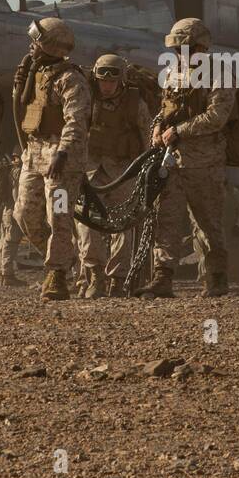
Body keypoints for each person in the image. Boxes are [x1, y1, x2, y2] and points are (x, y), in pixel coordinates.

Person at [139, 17, 234, 298]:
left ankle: (216, 278)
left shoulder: (220, 74)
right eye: (177, 49)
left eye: (186, 48)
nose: (181, 54)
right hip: (173, 161)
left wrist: (179, 131)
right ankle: (163, 278)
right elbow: (166, 108)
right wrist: (158, 127)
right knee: (166, 219)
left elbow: (217, 116)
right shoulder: (173, 73)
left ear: (201, 47)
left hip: (205, 163)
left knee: (207, 223)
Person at [12, 17, 90, 302]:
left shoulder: (71, 79)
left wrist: (63, 152)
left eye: (36, 42)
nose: (31, 47)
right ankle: (64, 258)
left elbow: (76, 120)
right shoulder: (35, 74)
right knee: (24, 213)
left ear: (51, 47)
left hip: (60, 158)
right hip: (34, 152)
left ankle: (57, 274)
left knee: (58, 217)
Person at [76, 54, 151, 298]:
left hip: (123, 170)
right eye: (102, 80)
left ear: (122, 80)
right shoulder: (86, 100)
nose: (106, 86)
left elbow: (147, 137)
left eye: (111, 81)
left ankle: (118, 278)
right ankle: (94, 274)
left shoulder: (136, 104)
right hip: (91, 170)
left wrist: (146, 169)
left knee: (123, 225)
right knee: (86, 222)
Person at [0, 151, 27, 287]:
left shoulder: (8, 168)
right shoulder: (17, 171)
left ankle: (2, 273)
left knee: (4, 240)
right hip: (13, 208)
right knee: (11, 240)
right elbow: (16, 193)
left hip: (6, 209)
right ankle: (7, 275)